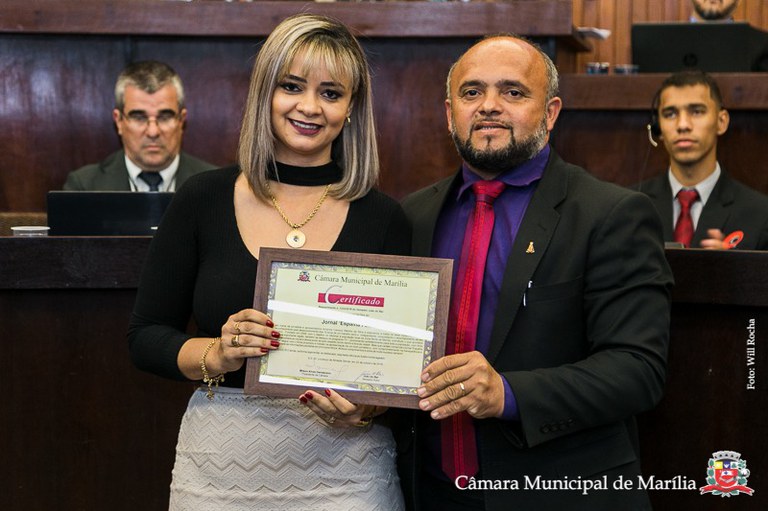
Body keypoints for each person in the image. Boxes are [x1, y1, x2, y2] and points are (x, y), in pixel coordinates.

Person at [128, 14, 408, 509]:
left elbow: (398, 369)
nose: (309, 107)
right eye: (292, 86)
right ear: (265, 93)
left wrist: (367, 408)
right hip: (221, 466)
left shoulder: (384, 217)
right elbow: (146, 336)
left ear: (351, 108)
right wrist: (217, 352)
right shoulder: (202, 197)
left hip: (347, 473)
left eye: (330, 92)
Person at [398, 34, 673, 510]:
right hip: (431, 490)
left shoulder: (612, 214)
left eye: (513, 92)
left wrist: (506, 392)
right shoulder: (412, 215)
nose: (488, 106)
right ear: (449, 114)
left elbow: (638, 369)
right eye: (471, 92)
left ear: (550, 113)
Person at [641, 70, 768, 249]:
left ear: (721, 121)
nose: (683, 125)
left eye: (697, 112)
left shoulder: (760, 215)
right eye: (670, 114)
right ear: (658, 127)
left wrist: (733, 271)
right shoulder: (630, 206)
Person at [63, 60, 214, 191]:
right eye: (139, 118)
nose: (153, 132)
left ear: (181, 121)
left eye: (164, 117)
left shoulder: (215, 185)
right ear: (119, 121)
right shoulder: (84, 186)